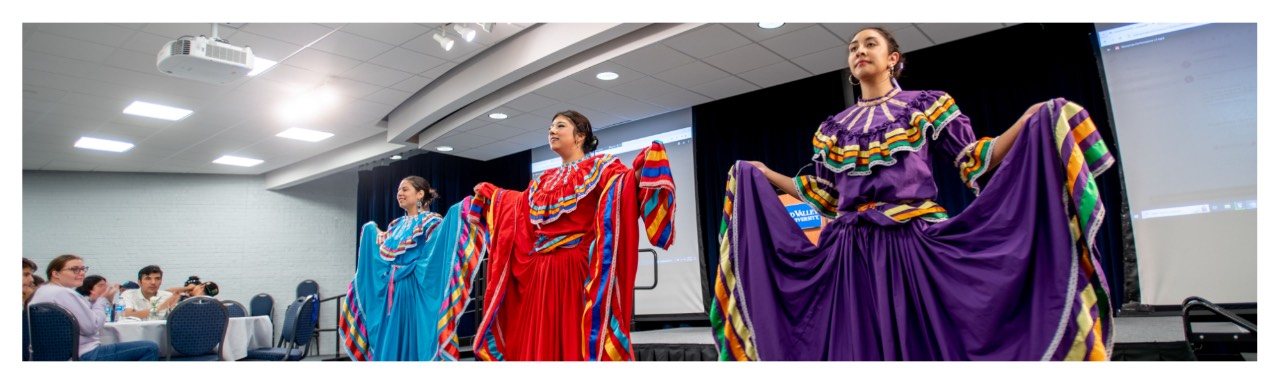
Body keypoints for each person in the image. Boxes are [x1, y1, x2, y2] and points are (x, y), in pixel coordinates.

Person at [713, 27, 1115, 361]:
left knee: (925, 340)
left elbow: (973, 159)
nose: (859, 51)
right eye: (853, 48)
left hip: (912, 239)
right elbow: (824, 195)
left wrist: (1027, 122)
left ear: (893, 58)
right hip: (851, 250)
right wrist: (765, 174)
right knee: (860, 345)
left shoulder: (926, 105)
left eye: (870, 43)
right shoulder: (833, 127)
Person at [467, 110, 677, 361]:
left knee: (576, 337)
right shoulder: (542, 181)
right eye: (550, 127)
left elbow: (624, 188)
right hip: (541, 276)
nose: (551, 131)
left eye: (560, 126)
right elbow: (519, 211)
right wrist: (495, 197)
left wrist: (645, 168)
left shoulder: (601, 167)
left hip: (576, 273)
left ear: (580, 136)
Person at [338, 176, 486, 361]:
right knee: (388, 338)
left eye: (405, 189)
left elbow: (437, 251)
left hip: (413, 291)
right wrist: (371, 231)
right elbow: (383, 256)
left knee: (415, 339)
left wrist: (467, 205)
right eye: (398, 190)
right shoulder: (395, 225)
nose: (400, 193)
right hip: (392, 293)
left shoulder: (431, 221)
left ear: (420, 194)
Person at [27, 254, 159, 361]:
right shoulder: (65, 293)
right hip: (83, 354)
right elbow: (93, 327)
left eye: (83, 269)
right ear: (55, 273)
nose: (81, 273)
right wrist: (102, 300)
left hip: (52, 355)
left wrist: (93, 301)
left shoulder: (42, 291)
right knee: (150, 347)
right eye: (75, 269)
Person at [120, 265, 185, 320]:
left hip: (161, 334)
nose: (153, 282)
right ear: (139, 282)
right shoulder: (128, 295)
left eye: (157, 279)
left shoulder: (168, 296)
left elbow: (178, 320)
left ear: (161, 281)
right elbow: (128, 315)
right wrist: (161, 307)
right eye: (148, 278)